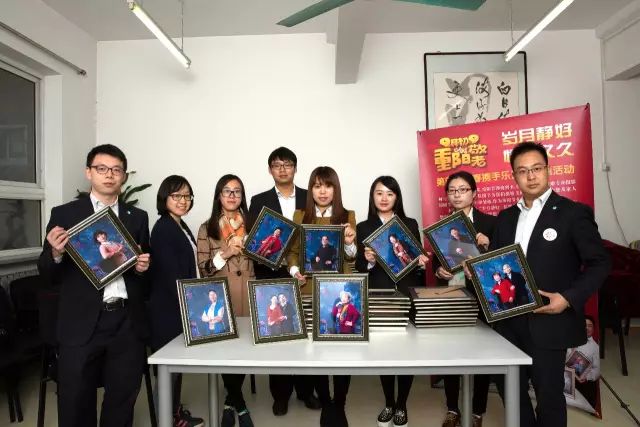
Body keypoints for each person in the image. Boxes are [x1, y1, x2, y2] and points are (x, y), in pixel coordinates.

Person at [488, 142, 610, 427]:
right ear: (514, 176)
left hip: (549, 320)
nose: (531, 176)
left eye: (536, 168)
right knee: (511, 390)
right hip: (508, 321)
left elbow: (600, 263)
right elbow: (495, 264)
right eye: (522, 171)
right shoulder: (506, 217)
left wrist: (567, 298)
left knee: (550, 395)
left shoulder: (572, 213)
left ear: (547, 169)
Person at [37, 144, 151, 427]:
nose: (109, 175)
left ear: (123, 176)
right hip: (82, 321)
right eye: (102, 168)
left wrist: (142, 268)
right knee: (75, 401)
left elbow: (145, 276)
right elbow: (47, 273)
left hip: (126, 321)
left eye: (116, 170)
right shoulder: (65, 215)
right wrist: (55, 253)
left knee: (122, 400)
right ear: (89, 172)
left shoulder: (137, 218)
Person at [247, 147, 320, 416]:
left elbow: (315, 232)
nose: (282, 169)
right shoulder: (259, 200)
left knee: (306, 334)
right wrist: (275, 260)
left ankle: (306, 391)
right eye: (277, 165)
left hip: (305, 275)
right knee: (277, 334)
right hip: (272, 275)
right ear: (270, 170)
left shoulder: (308, 197)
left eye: (287, 164)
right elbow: (256, 241)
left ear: (295, 168)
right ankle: (280, 395)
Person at [286, 166, 357, 427]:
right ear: (311, 190)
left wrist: (349, 242)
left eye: (328, 186)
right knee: (315, 350)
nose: (323, 191)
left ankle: (340, 403)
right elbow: (292, 251)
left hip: (338, 291)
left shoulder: (347, 215)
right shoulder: (300, 215)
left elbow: (351, 257)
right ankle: (326, 402)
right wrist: (294, 270)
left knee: (343, 349)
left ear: (335, 189)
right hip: (308, 290)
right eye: (317, 186)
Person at [355, 175, 429, 427]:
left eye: (390, 193)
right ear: (372, 196)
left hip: (405, 292)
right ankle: (388, 402)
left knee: (407, 352)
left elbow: (416, 260)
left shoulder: (409, 223)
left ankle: (401, 404)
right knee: (384, 351)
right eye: (379, 193)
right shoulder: (364, 227)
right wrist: (368, 261)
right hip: (379, 293)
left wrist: (421, 262)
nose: (384, 198)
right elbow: (359, 267)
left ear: (397, 197)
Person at [435, 171, 496, 427]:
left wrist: (489, 246)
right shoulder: (441, 227)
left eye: (462, 190)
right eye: (452, 190)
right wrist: (439, 271)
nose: (457, 195)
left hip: (482, 299)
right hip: (454, 295)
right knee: (451, 355)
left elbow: (501, 264)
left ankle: (477, 411)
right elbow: (438, 264)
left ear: (474, 193)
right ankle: (452, 409)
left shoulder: (490, 224)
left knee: (481, 356)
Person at [197, 174, 255, 427]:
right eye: (227, 191)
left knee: (245, 347)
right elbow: (204, 269)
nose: (232, 196)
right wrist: (227, 252)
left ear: (242, 196)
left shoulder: (253, 225)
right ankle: (239, 404)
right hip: (222, 295)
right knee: (226, 348)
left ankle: (230, 402)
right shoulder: (206, 228)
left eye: (237, 191)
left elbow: (267, 259)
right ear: (218, 196)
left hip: (249, 293)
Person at [148, 175, 204, 427]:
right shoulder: (163, 229)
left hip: (178, 306)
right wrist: (193, 305)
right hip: (168, 309)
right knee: (168, 369)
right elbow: (171, 276)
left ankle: (174, 414)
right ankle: (166, 419)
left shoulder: (179, 225)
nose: (183, 201)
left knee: (175, 367)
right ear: (165, 198)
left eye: (187, 196)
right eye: (176, 196)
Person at [566, 316, 600, 408]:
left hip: (584, 384)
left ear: (593, 329)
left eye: (590, 326)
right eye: (584, 325)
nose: (587, 328)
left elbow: (597, 370)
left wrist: (587, 377)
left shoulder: (595, 348)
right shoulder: (569, 340)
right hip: (567, 380)